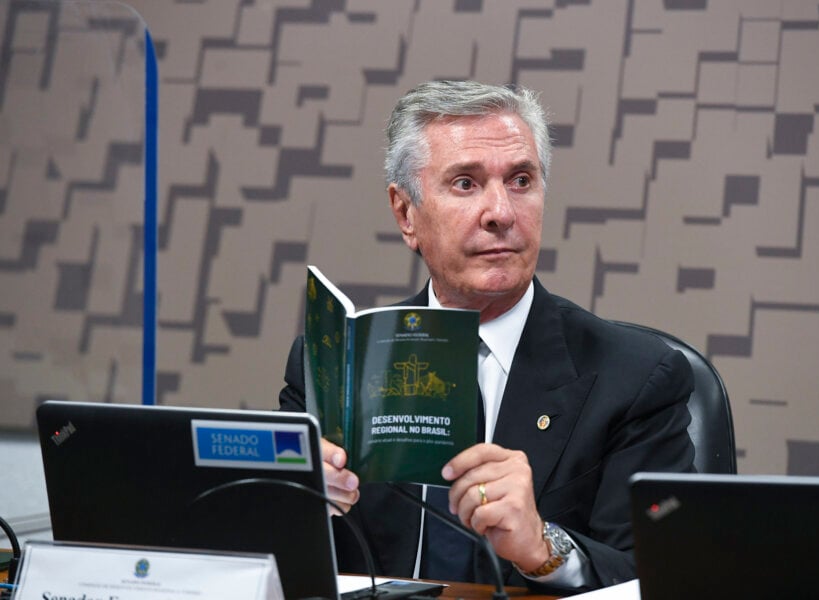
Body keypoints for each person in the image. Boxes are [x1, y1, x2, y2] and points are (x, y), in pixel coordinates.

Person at [279, 80, 695, 593]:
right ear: (406, 214)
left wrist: (544, 547)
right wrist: (298, 510)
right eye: (465, 184)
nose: (501, 212)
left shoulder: (635, 379)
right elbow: (268, 559)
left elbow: (665, 578)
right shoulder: (334, 365)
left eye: (521, 180)